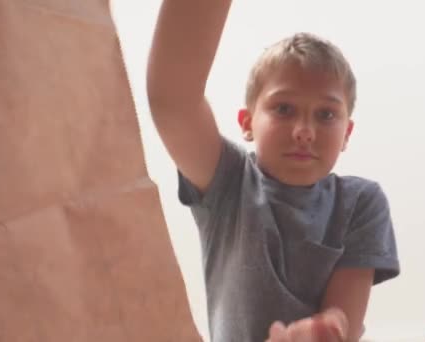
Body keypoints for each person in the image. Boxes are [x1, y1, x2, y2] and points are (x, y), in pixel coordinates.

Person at [146, 1, 400, 341]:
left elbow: (344, 318)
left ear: (347, 134)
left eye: (325, 115)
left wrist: (323, 331)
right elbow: (172, 100)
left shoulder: (361, 202)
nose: (304, 130)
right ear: (247, 122)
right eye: (284, 108)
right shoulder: (229, 181)